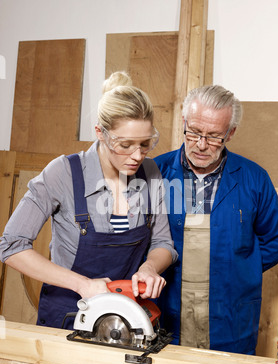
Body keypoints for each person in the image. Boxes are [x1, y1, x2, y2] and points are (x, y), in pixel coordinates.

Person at [0, 72, 177, 329]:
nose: (137, 155)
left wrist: (150, 267)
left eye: (145, 143)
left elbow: (163, 242)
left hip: (124, 319)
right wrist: (83, 285)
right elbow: (11, 246)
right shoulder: (63, 173)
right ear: (100, 133)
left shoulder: (150, 173)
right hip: (68, 314)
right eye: (125, 144)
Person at [154, 85, 278, 355]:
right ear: (184, 123)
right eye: (193, 132)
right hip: (167, 316)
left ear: (231, 133)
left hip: (230, 322)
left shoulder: (254, 179)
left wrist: (238, 271)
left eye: (214, 136)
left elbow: (275, 241)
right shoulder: (156, 172)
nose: (201, 145)